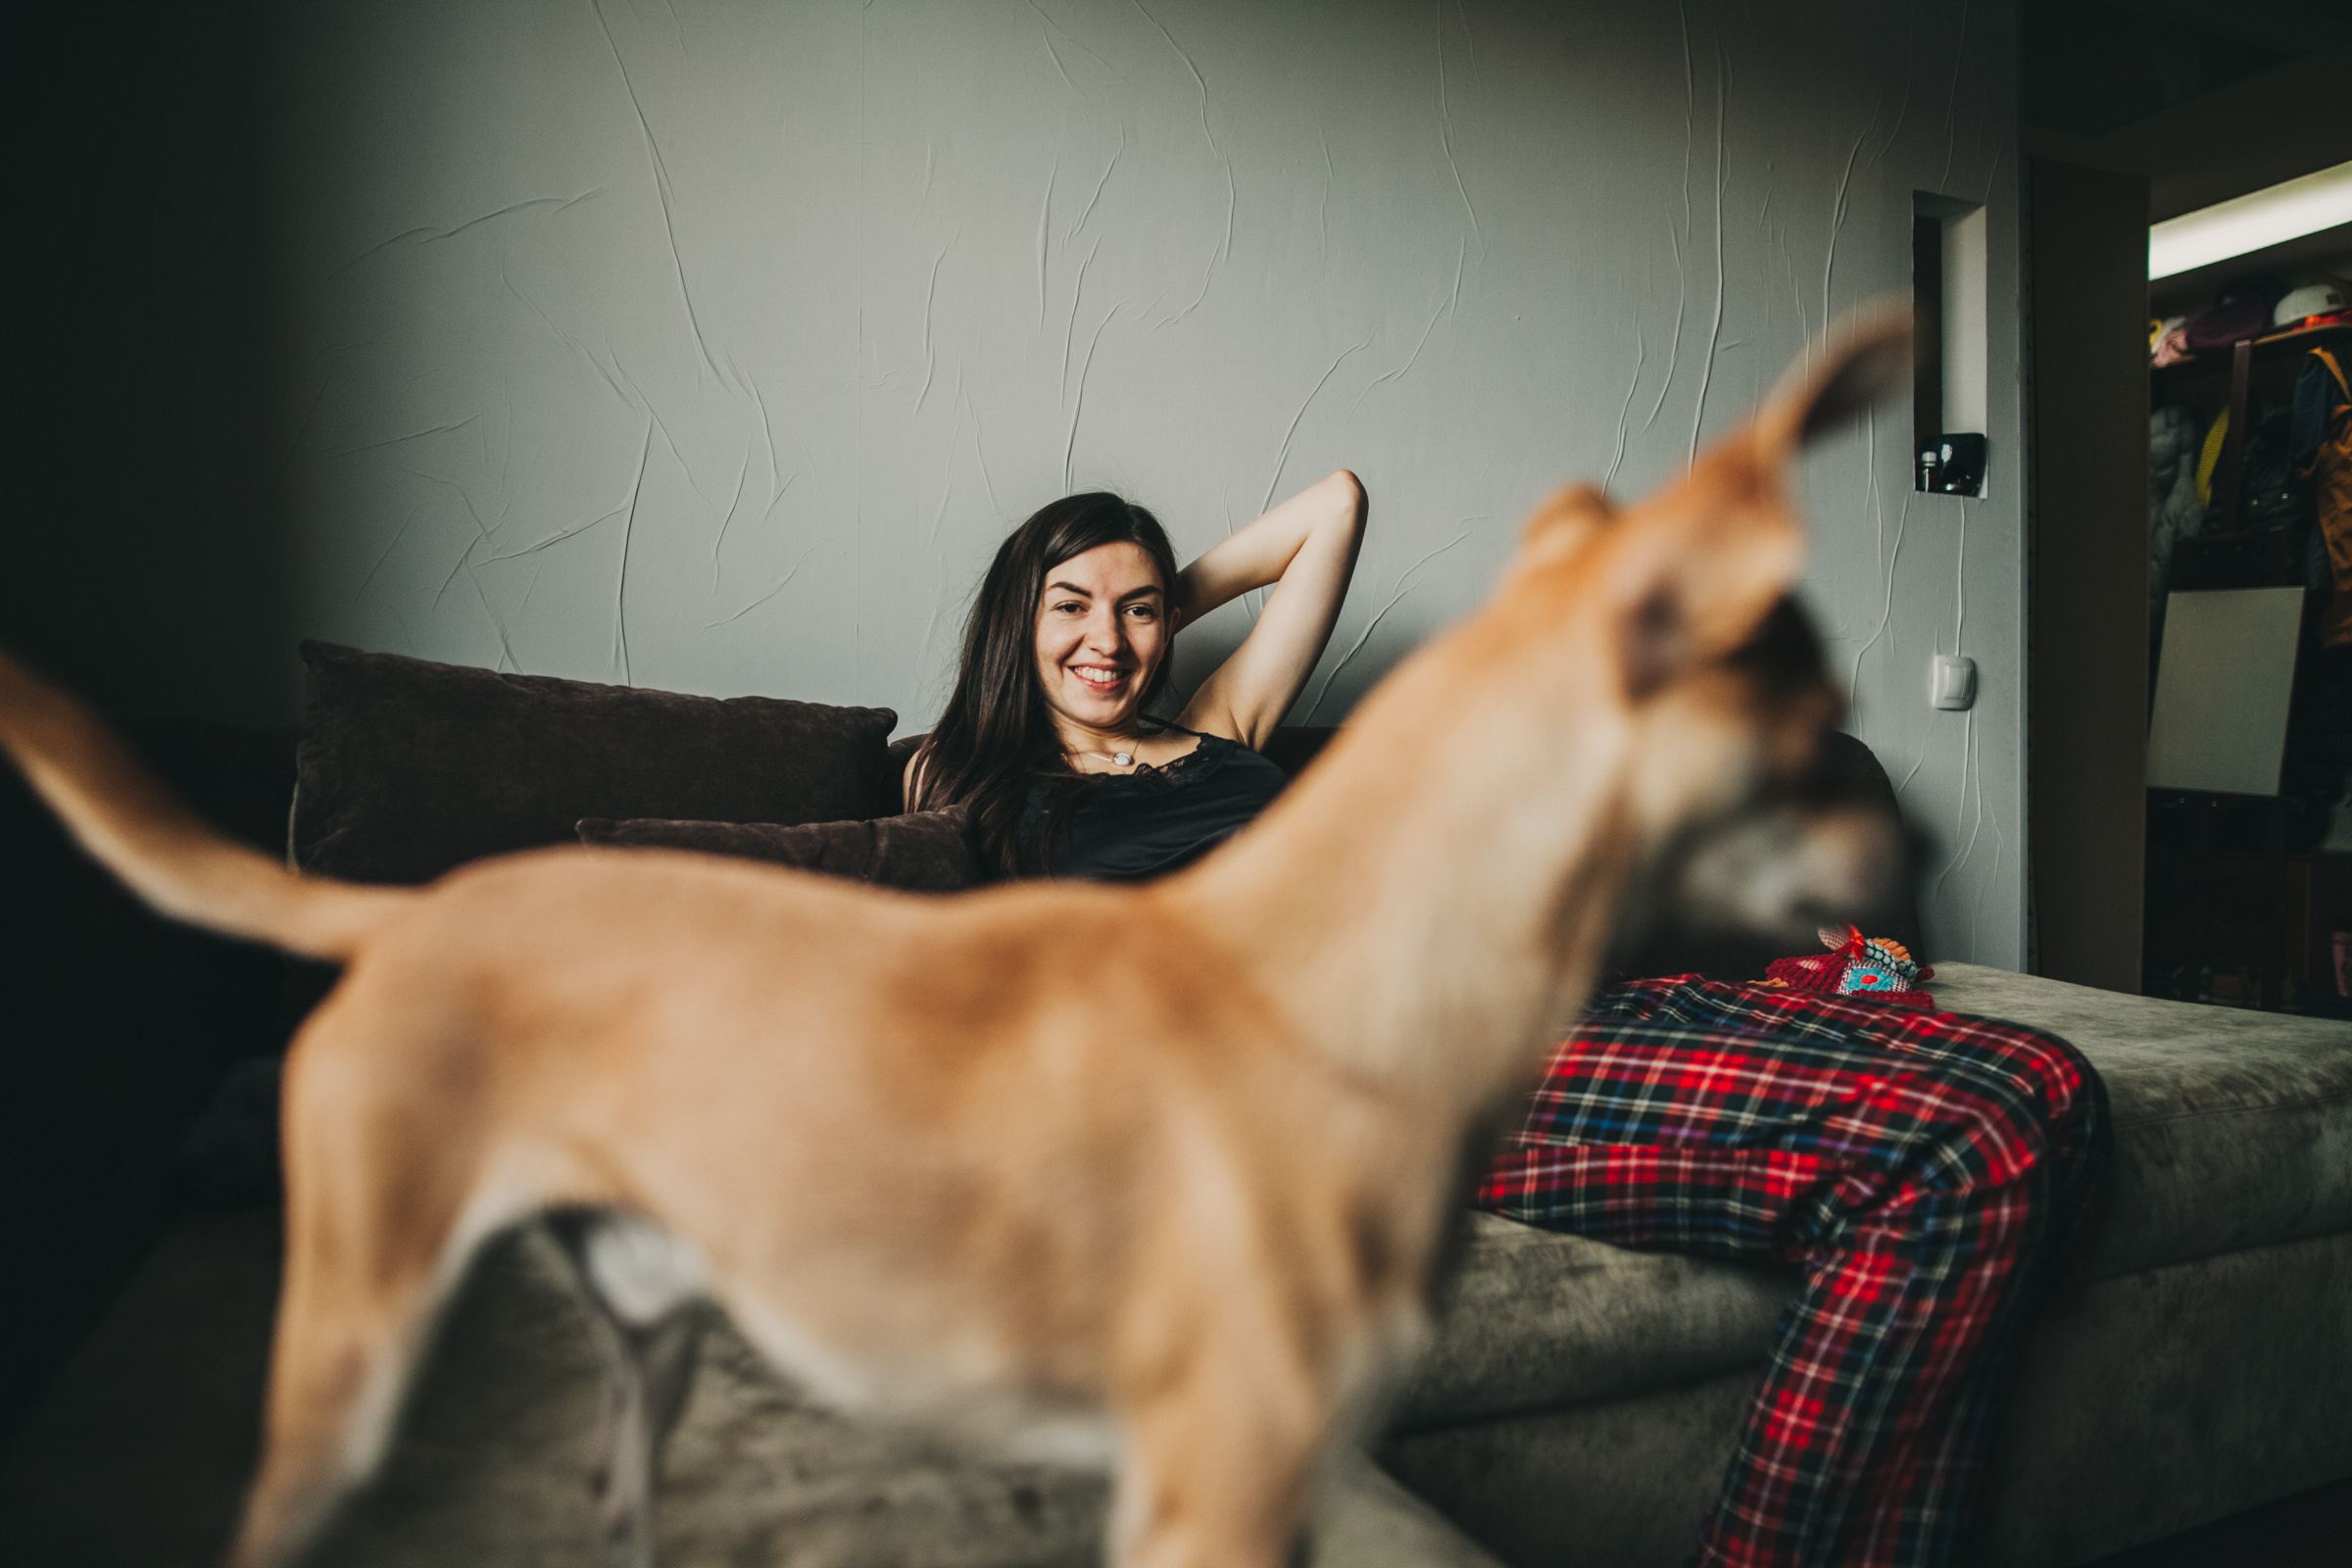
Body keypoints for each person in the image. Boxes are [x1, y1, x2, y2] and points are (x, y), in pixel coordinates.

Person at [908, 477, 2108, 1568]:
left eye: (1138, 612)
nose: (1106, 642)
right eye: (1069, 608)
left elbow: (1336, 504)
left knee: (2050, 1088)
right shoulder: (966, 778)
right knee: (1973, 1137)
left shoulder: (1219, 727)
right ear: (1018, 615)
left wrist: (1158, 606)